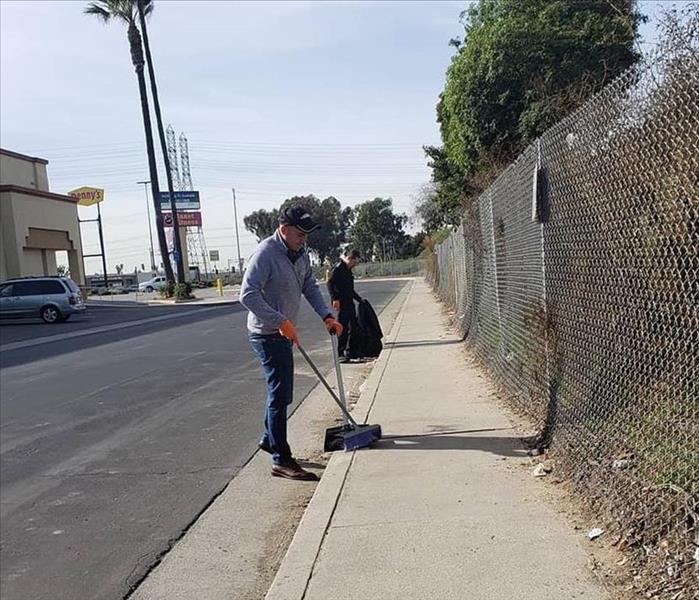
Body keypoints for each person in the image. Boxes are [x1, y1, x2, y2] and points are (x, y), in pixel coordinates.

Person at [240, 205, 343, 481]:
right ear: (284, 230)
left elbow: (309, 286)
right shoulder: (265, 254)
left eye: (307, 234)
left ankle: (268, 438)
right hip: (266, 334)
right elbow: (247, 295)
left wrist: (326, 316)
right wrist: (279, 321)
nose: (304, 239)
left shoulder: (300, 255)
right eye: (300, 233)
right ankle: (281, 459)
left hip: (283, 332)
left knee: (283, 394)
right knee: (279, 394)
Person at [327, 248, 362, 363]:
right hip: (342, 303)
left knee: (354, 326)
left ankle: (351, 350)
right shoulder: (338, 269)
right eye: (355, 262)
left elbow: (350, 290)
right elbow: (330, 283)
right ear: (350, 259)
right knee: (343, 328)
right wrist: (334, 298)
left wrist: (359, 299)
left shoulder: (348, 270)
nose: (355, 265)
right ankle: (340, 353)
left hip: (349, 302)